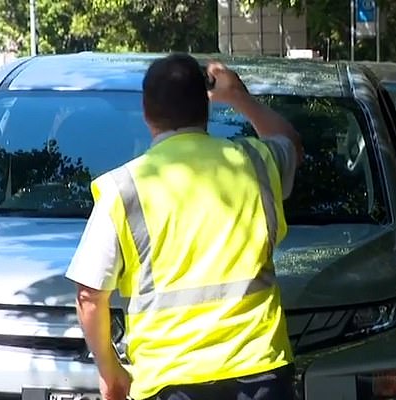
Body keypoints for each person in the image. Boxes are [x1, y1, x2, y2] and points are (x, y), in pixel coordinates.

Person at [65, 53, 303, 400]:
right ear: (205, 109)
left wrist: (111, 372)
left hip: (170, 381)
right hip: (259, 372)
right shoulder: (256, 163)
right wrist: (239, 97)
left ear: (146, 113)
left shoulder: (124, 188)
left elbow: (89, 296)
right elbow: (290, 142)